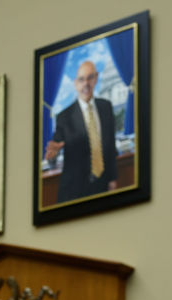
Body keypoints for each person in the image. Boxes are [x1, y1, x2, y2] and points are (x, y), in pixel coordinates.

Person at [44, 60, 118, 204]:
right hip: (75, 191)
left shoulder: (106, 107)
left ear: (96, 78)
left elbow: (110, 147)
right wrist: (52, 155)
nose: (86, 84)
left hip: (102, 187)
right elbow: (54, 150)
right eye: (81, 79)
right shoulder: (64, 117)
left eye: (90, 78)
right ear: (75, 84)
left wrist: (112, 179)